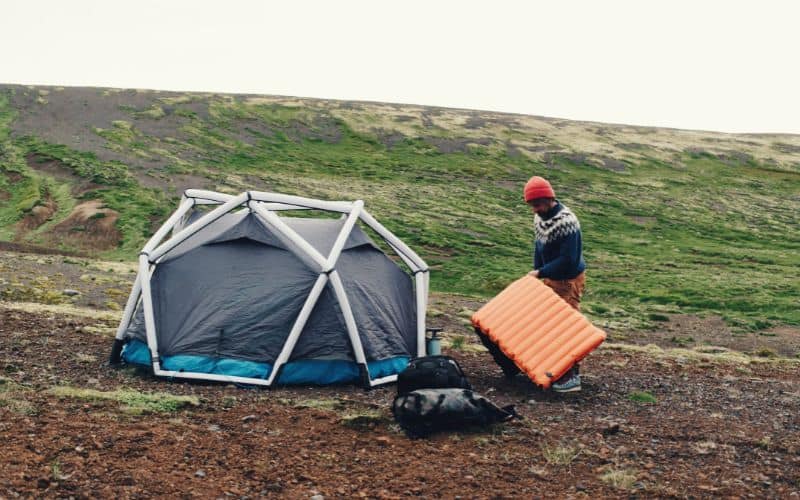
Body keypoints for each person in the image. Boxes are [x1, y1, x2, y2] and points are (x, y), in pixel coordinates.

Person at [525, 175, 586, 392]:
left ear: (549, 198)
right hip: (550, 276)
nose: (534, 209)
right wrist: (539, 274)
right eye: (531, 205)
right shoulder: (541, 217)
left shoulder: (566, 222)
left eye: (537, 204)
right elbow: (539, 246)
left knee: (567, 326)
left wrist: (541, 272)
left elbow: (569, 259)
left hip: (568, 279)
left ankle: (571, 376)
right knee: (549, 324)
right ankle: (555, 368)